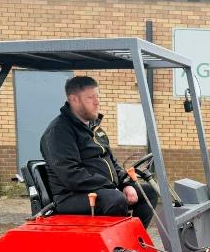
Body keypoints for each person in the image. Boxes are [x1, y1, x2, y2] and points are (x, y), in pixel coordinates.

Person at [40, 76, 158, 227]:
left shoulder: (93, 128)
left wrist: (125, 183)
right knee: (115, 200)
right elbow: (71, 175)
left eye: (98, 96)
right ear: (74, 99)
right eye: (90, 98)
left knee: (149, 192)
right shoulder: (59, 132)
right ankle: (115, 248)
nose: (97, 102)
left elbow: (111, 162)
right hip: (69, 196)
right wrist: (113, 187)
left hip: (101, 189)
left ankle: (135, 243)